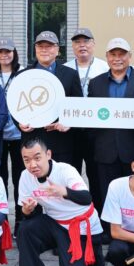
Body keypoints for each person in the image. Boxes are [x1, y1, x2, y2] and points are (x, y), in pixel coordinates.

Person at [15, 137, 104, 266]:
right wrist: (27, 211)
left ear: (48, 154)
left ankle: (96, 262)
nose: (32, 165)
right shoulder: (25, 176)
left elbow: (86, 198)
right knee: (25, 229)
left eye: (37, 158)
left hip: (80, 228)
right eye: (27, 160)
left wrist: (64, 191)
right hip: (55, 223)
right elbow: (28, 215)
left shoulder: (65, 170)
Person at [87, 38, 134, 215]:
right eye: (113, 54)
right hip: (105, 150)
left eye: (122, 54)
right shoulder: (96, 83)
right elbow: (90, 115)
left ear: (130, 56)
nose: (117, 58)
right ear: (107, 57)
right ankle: (108, 228)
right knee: (107, 196)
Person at [17, 31, 84, 168]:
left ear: (57, 49)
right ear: (35, 49)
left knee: (62, 179)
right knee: (34, 180)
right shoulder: (23, 75)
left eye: (49, 46)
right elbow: (15, 105)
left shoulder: (70, 74)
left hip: (62, 142)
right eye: (40, 46)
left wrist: (68, 122)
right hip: (32, 142)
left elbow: (78, 105)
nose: (44, 50)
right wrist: (19, 122)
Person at [64, 27, 110, 212]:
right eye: (77, 42)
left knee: (97, 175)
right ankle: (73, 213)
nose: (82, 45)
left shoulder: (105, 68)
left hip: (97, 132)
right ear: (72, 46)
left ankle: (97, 214)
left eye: (86, 41)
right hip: (71, 132)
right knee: (71, 174)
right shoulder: (65, 69)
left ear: (94, 44)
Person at [0, 37, 24, 232]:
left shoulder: (24, 73)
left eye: (8, 51)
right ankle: (1, 224)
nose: (4, 55)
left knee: (21, 179)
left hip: (20, 135)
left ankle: (20, 222)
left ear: (14, 53)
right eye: (0, 52)